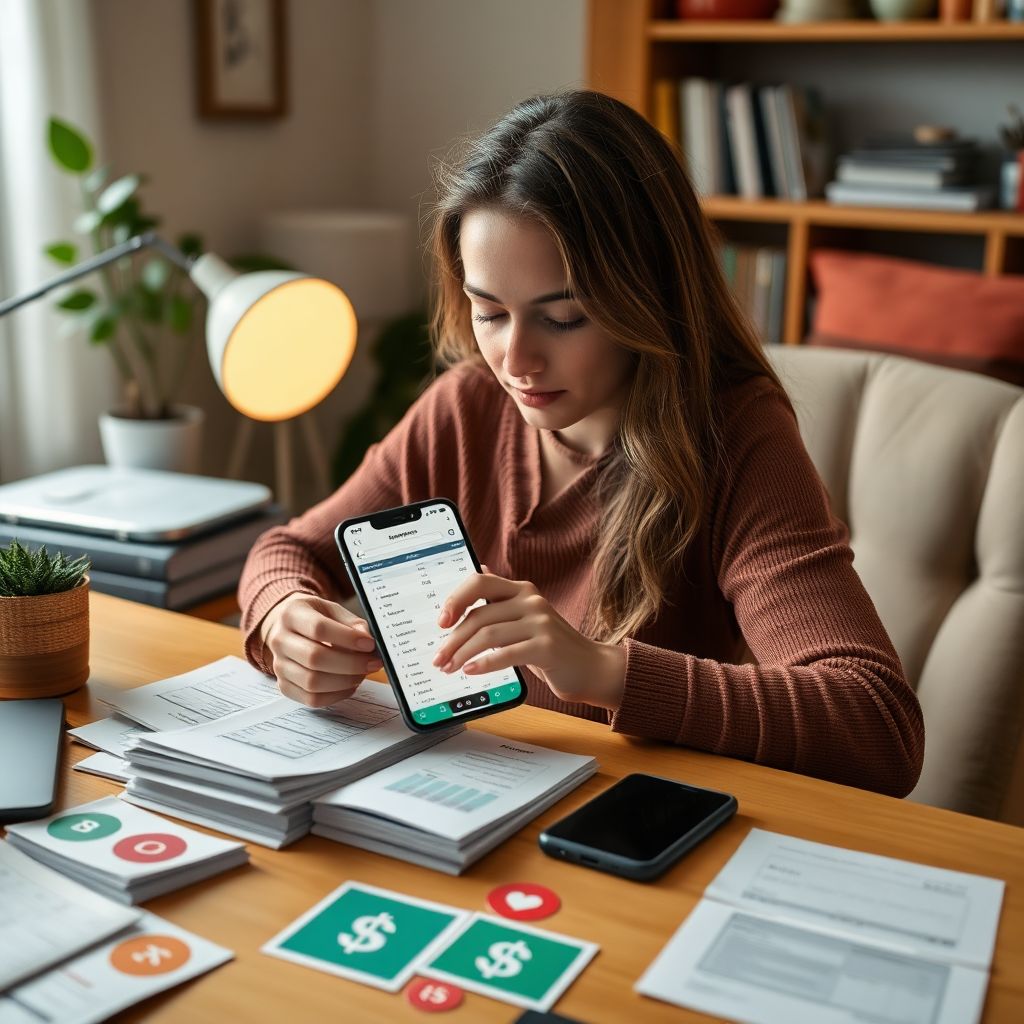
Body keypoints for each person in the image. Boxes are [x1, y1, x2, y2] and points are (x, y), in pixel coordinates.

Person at [238, 89, 924, 798]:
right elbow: (287, 550)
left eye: (563, 318)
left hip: (626, 834)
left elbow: (877, 726)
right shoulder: (468, 404)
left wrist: (605, 670)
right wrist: (283, 617)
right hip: (471, 806)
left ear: (647, 295)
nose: (516, 361)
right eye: (490, 313)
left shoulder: (736, 439)